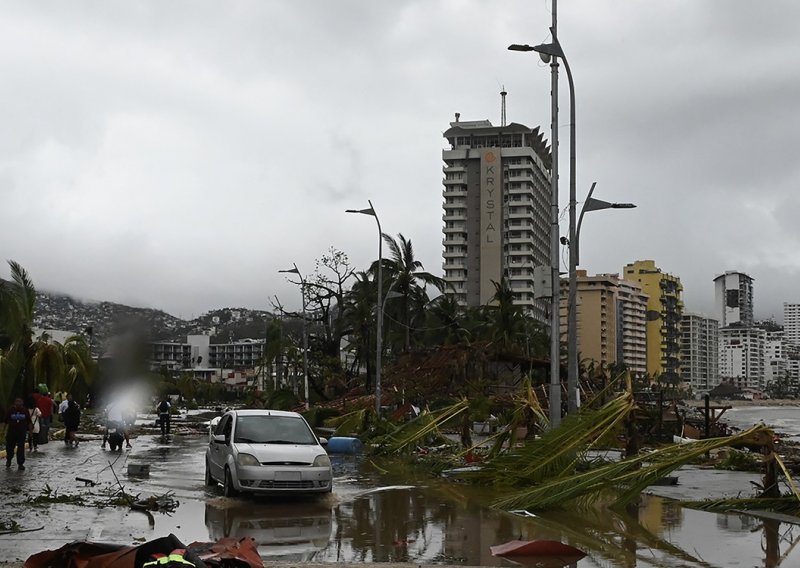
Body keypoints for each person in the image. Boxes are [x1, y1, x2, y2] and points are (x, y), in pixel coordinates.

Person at [3, 397, 32, 470]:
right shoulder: (10, 410)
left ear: (22, 403)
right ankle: (9, 459)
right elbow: (6, 421)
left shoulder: (25, 411)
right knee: (9, 447)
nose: (18, 403)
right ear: (14, 403)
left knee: (21, 448)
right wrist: (3, 431)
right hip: (11, 432)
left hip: (21, 433)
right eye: (17, 402)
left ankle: (20, 463)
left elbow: (29, 422)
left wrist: (30, 432)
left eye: (20, 402)